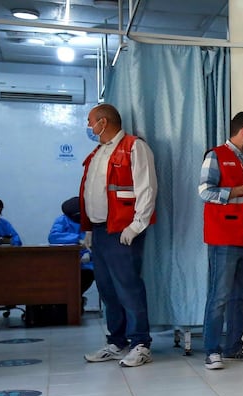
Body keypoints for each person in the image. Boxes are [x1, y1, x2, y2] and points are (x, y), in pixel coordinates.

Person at [80, 103, 158, 367]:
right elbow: (90, 193)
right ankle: (117, 341)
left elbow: (147, 188)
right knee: (107, 288)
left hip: (123, 230)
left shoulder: (135, 147)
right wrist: (89, 229)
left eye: (91, 121)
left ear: (104, 121)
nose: (89, 126)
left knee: (128, 287)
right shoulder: (98, 152)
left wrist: (137, 225)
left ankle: (140, 344)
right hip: (101, 231)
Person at [199, 111, 243, 370]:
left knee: (241, 297)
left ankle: (233, 348)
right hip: (225, 239)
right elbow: (205, 191)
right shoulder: (215, 155)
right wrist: (242, 189)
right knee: (219, 297)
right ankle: (212, 351)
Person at [49, 196, 95, 297]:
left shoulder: (92, 220)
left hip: (87, 266)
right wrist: (77, 239)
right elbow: (53, 237)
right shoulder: (62, 220)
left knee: (78, 287)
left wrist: (89, 254)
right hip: (65, 265)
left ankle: (76, 305)